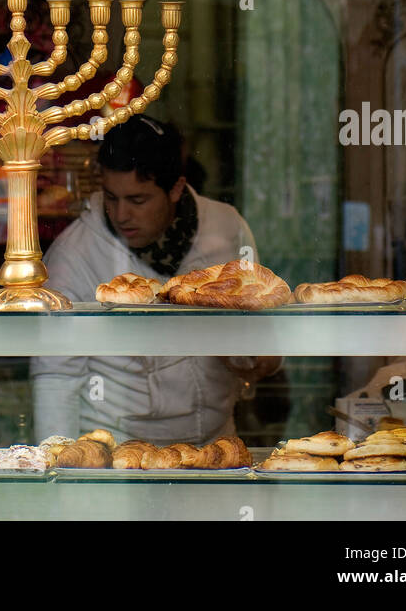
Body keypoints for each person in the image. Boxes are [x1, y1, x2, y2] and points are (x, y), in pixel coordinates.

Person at [31, 116, 280, 445]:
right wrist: (57, 472)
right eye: (111, 197)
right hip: (119, 455)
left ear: (176, 188)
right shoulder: (73, 255)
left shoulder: (226, 228)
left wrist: (265, 357)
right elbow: (56, 376)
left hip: (214, 448)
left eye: (137, 200)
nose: (121, 215)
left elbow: (260, 322)